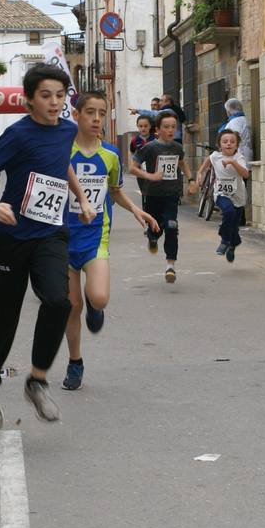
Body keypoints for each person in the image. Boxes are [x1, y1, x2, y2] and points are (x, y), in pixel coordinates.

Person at [0, 64, 95, 429]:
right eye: (46, 96)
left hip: (52, 233)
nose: (55, 102)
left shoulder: (68, 130)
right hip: (12, 237)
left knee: (59, 301)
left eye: (60, 95)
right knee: (6, 316)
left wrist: (82, 198)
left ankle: (37, 380)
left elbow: (62, 164)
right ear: (29, 100)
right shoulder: (17, 135)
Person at [61, 92, 158, 391]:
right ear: (76, 116)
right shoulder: (61, 151)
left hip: (95, 237)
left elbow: (114, 191)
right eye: (90, 112)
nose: (96, 119)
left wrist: (136, 209)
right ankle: (75, 362)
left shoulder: (111, 155)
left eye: (101, 113)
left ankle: (95, 305)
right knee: (70, 306)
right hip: (61, 238)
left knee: (98, 298)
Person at [129, 112, 186, 283]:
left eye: (173, 127)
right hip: (152, 194)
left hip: (171, 194)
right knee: (154, 228)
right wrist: (150, 176)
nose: (170, 130)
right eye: (166, 127)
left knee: (171, 226)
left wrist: (190, 179)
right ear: (158, 130)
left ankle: (170, 266)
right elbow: (133, 168)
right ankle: (153, 239)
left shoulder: (177, 147)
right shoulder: (150, 147)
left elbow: (182, 162)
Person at [200, 127, 250, 263]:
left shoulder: (238, 157)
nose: (228, 144)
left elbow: (246, 174)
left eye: (232, 142)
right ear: (219, 144)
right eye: (225, 141)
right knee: (228, 211)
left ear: (237, 145)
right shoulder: (215, 156)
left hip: (238, 196)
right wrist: (199, 174)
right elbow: (205, 164)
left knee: (234, 225)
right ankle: (224, 240)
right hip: (221, 193)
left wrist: (233, 162)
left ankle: (233, 244)